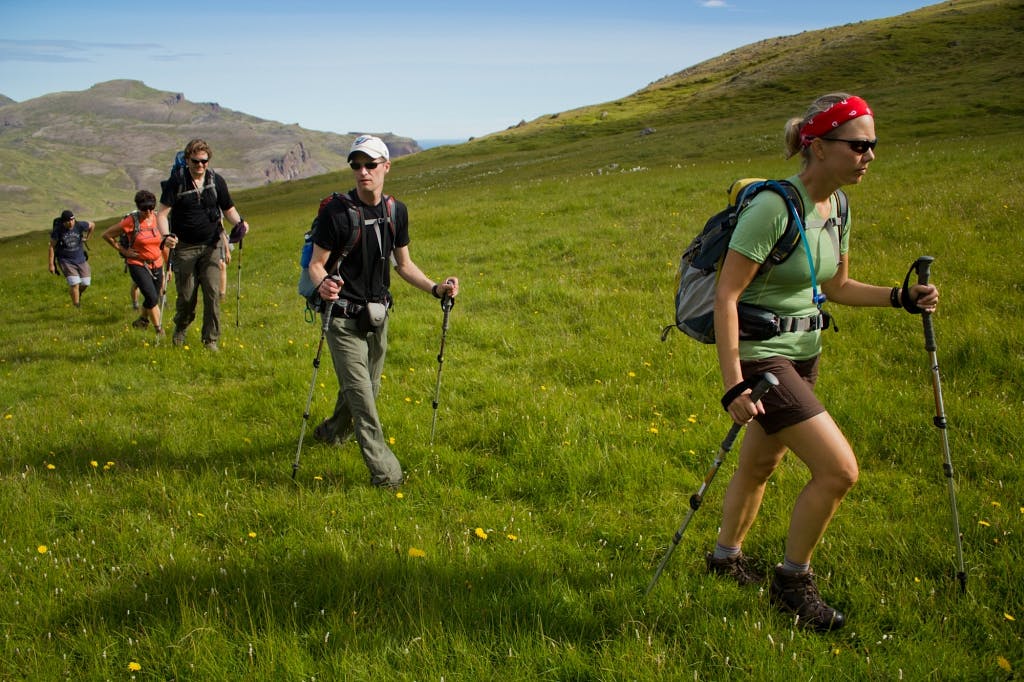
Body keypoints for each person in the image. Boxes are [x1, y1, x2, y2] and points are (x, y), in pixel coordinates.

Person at [706, 94, 938, 631]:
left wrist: (899, 297)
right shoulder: (772, 208)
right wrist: (733, 384)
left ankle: (723, 559)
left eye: (873, 145)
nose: (870, 155)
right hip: (764, 359)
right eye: (858, 145)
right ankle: (792, 583)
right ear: (817, 146)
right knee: (838, 471)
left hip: (804, 353)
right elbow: (727, 297)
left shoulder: (838, 208)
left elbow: (834, 285)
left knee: (761, 464)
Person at [307, 135, 459, 489]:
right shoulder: (336, 213)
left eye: (370, 165)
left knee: (366, 389)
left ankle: (331, 433)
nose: (363, 172)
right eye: (356, 165)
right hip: (342, 319)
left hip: (378, 317)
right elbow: (316, 265)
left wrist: (436, 288)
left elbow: (403, 265)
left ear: (386, 167)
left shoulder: (396, 211)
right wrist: (322, 285)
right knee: (363, 399)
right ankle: (387, 475)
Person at [156, 139, 249, 351]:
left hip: (211, 245)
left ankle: (210, 340)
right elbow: (162, 214)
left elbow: (228, 209)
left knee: (212, 293)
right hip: (185, 247)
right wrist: (166, 235)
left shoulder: (217, 181)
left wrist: (240, 223)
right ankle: (181, 326)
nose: (200, 166)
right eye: (196, 161)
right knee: (187, 297)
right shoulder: (177, 181)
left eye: (204, 161)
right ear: (187, 160)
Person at [102, 190, 178, 336]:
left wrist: (169, 267)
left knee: (154, 296)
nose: (148, 212)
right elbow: (106, 235)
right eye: (144, 209)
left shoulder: (159, 219)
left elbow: (165, 245)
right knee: (151, 297)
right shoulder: (131, 221)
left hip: (157, 263)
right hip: (137, 263)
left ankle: (142, 320)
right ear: (138, 207)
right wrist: (124, 251)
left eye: (151, 208)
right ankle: (159, 330)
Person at [48, 210, 95, 307]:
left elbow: (92, 225)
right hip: (65, 260)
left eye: (72, 220)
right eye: (68, 221)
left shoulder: (79, 225)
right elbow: (52, 246)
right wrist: (51, 264)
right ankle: (77, 306)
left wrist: (87, 238)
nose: (71, 223)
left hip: (80, 258)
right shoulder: (58, 230)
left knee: (86, 282)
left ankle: (77, 293)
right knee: (74, 283)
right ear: (63, 222)